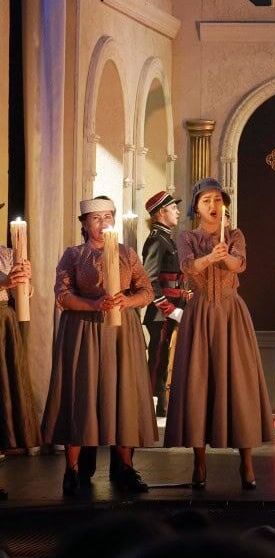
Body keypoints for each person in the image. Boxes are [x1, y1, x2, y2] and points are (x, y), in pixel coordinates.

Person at [41, 196, 157, 495]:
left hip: (121, 333)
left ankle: (125, 467)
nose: (103, 223)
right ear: (84, 223)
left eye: (108, 216)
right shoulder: (74, 255)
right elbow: (63, 295)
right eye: (96, 218)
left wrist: (126, 301)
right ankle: (73, 469)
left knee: (123, 394)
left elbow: (146, 290)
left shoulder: (127, 254)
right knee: (83, 394)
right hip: (84, 331)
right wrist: (94, 304)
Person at [166, 178, 274, 490]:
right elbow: (188, 267)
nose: (213, 205)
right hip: (199, 314)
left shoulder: (235, 234)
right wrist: (209, 258)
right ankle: (199, 461)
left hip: (230, 313)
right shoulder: (186, 237)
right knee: (198, 383)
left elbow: (238, 265)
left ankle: (247, 462)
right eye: (206, 201)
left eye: (217, 200)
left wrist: (224, 256)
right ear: (196, 208)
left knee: (239, 383)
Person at [140, 190, 187, 417]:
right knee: (158, 361)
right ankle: (150, 405)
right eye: (173, 208)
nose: (178, 211)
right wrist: (170, 310)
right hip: (162, 312)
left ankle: (164, 405)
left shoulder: (167, 238)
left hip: (174, 306)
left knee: (168, 359)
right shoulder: (156, 240)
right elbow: (150, 280)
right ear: (161, 212)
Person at [0, 201, 39, 457]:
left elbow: (20, 295)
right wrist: (4, 282)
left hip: (4, 319)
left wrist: (24, 281)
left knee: (5, 382)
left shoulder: (5, 253)